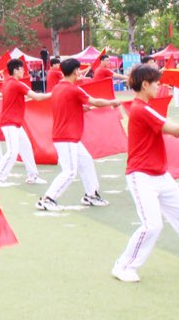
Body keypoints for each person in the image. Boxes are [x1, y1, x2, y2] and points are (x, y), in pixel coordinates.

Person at [110, 64, 179, 283]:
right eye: (156, 83)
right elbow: (176, 130)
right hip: (141, 176)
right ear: (145, 85)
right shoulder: (142, 109)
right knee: (152, 225)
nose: (159, 87)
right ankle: (123, 266)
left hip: (161, 175)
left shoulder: (144, 107)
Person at [37, 58, 120, 211]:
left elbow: (65, 105)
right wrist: (112, 102)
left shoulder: (57, 88)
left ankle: (91, 195)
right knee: (69, 172)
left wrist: (80, 109)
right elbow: (95, 101)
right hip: (66, 136)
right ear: (75, 71)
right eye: (78, 70)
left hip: (68, 136)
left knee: (86, 161)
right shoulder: (74, 89)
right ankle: (48, 199)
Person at [0, 59, 47, 187]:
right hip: (10, 122)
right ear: (15, 70)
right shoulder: (16, 84)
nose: (23, 71)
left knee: (26, 147)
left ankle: (33, 176)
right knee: (12, 152)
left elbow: (19, 97)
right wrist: (54, 94)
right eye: (21, 69)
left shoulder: (7, 82)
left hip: (15, 123)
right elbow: (37, 97)